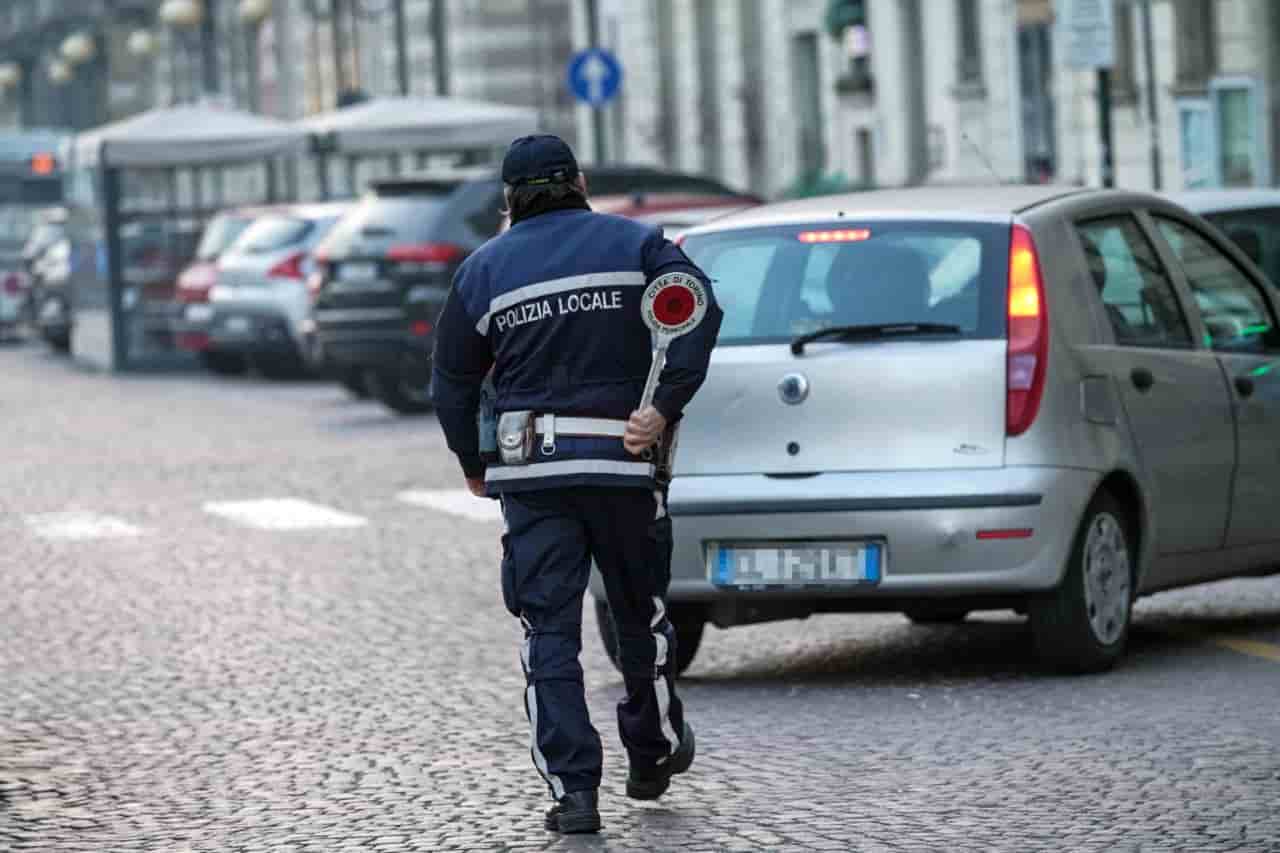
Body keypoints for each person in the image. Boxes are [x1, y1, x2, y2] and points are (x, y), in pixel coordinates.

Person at [431, 134, 722, 835]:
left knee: (548, 630)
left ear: (509, 198)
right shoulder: (638, 243)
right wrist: (662, 406)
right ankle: (651, 751)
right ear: (581, 180)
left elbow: (452, 380)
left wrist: (473, 461)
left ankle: (574, 791)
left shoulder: (482, 270)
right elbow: (698, 309)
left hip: (533, 475)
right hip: (625, 465)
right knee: (639, 615)